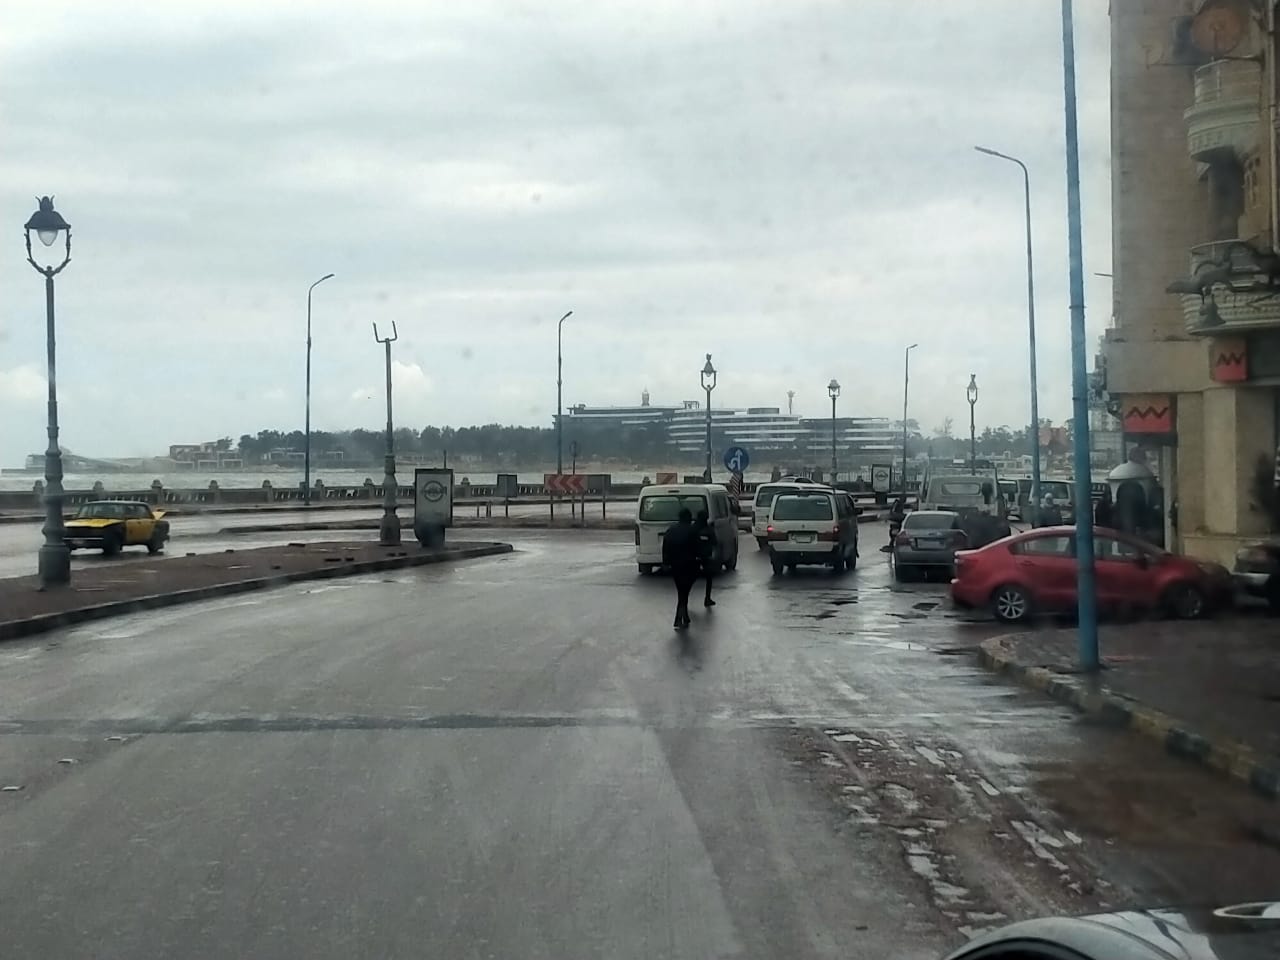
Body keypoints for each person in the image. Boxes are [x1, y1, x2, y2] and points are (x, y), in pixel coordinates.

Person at [662, 507, 701, 628]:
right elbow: (698, 548)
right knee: (684, 592)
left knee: (681, 591)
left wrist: (665, 563)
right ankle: (679, 617)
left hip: (675, 565)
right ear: (689, 518)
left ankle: (683, 616)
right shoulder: (692, 530)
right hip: (689, 565)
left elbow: (665, 548)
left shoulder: (670, 530)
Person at [693, 508, 718, 608]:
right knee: (709, 578)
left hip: (694, 556)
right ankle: (707, 598)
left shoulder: (693, 529)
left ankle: (685, 597)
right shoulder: (708, 529)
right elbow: (715, 542)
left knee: (691, 578)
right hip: (705, 556)